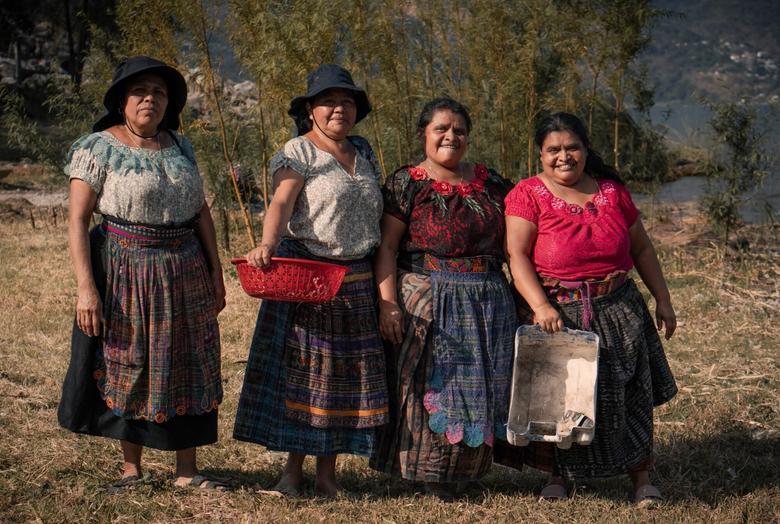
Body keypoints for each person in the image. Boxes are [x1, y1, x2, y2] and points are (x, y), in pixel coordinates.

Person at [57, 56, 227, 491]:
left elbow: (200, 210)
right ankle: (131, 467)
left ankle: (187, 470)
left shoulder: (180, 146)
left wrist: (216, 270)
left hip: (185, 268)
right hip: (126, 271)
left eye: (160, 92)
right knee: (131, 361)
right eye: (140, 91)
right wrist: (86, 289)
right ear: (122, 101)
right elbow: (77, 219)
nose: (150, 98)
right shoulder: (98, 147)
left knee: (189, 360)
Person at [499, 112, 677, 506]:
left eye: (572, 147)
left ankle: (641, 476)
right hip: (558, 313)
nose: (564, 156)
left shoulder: (613, 193)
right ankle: (557, 476)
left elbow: (642, 248)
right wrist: (540, 305)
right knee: (562, 397)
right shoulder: (527, 194)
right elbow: (517, 255)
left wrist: (662, 299)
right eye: (553, 150)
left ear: (585, 148)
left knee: (631, 394)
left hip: (620, 308)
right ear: (540, 155)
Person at [233, 64, 388, 498]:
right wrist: (267, 243)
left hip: (357, 279)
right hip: (311, 279)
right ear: (310, 110)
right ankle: (290, 474)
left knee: (343, 380)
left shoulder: (363, 151)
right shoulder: (298, 151)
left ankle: (328, 477)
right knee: (306, 377)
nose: (340, 108)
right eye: (329, 101)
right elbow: (281, 203)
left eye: (348, 101)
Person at [369, 98, 517, 500]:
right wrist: (389, 302)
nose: (451, 136)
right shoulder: (408, 183)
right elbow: (386, 247)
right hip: (432, 294)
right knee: (440, 387)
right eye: (441, 129)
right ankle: (432, 475)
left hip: (488, 297)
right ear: (424, 134)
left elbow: (514, 246)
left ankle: (470, 473)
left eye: (459, 131)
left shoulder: (491, 183)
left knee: (483, 386)